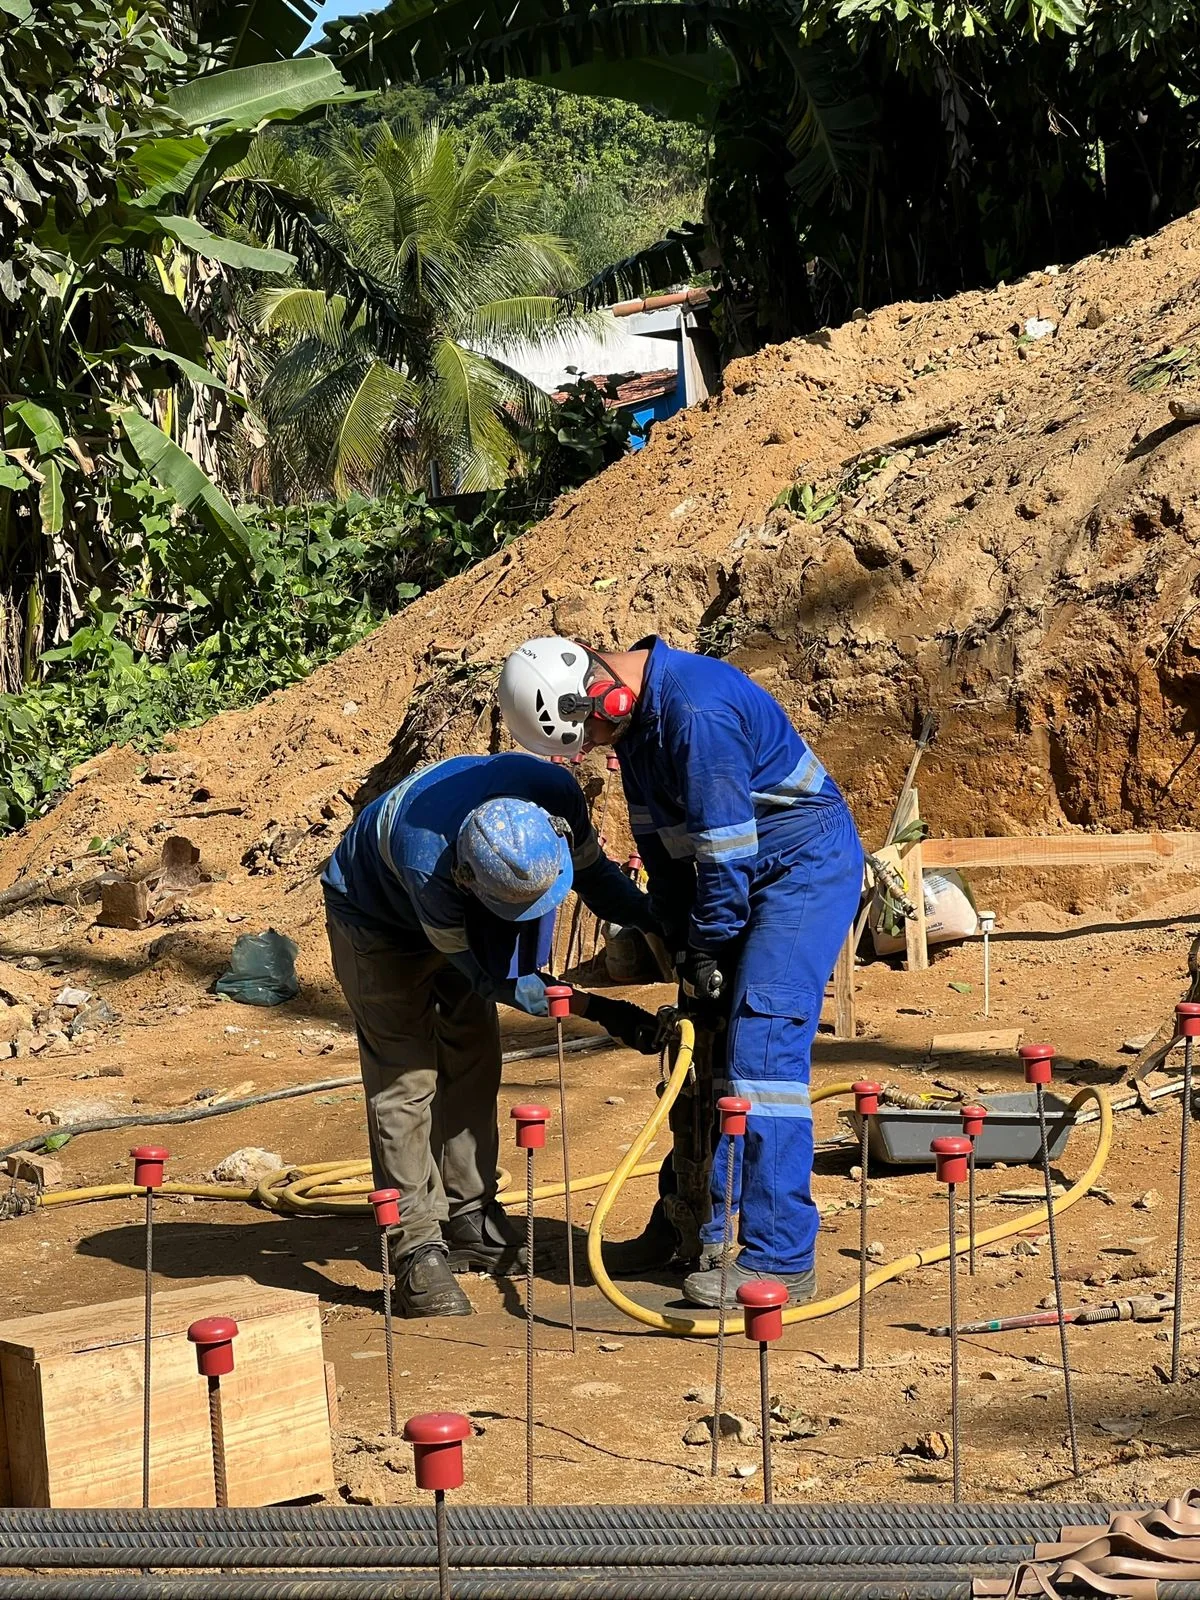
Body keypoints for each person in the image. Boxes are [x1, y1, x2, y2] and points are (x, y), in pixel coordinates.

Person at [497, 636, 864, 1309]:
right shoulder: (637, 725)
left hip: (800, 869)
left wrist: (709, 943)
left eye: (594, 732)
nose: (600, 747)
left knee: (760, 1050)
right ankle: (696, 1229)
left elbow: (725, 854)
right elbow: (664, 851)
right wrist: (673, 932)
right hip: (744, 877)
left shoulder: (697, 712)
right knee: (699, 1050)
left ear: (601, 693)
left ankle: (780, 1256)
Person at [322, 751, 666, 1318]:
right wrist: (605, 1012)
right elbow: (493, 980)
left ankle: (471, 1215)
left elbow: (602, 880)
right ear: (468, 880)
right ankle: (416, 1251)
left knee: (474, 1055)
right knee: (406, 1078)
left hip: (463, 906)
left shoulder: (554, 793)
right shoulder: (427, 863)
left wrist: (662, 923)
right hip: (375, 920)